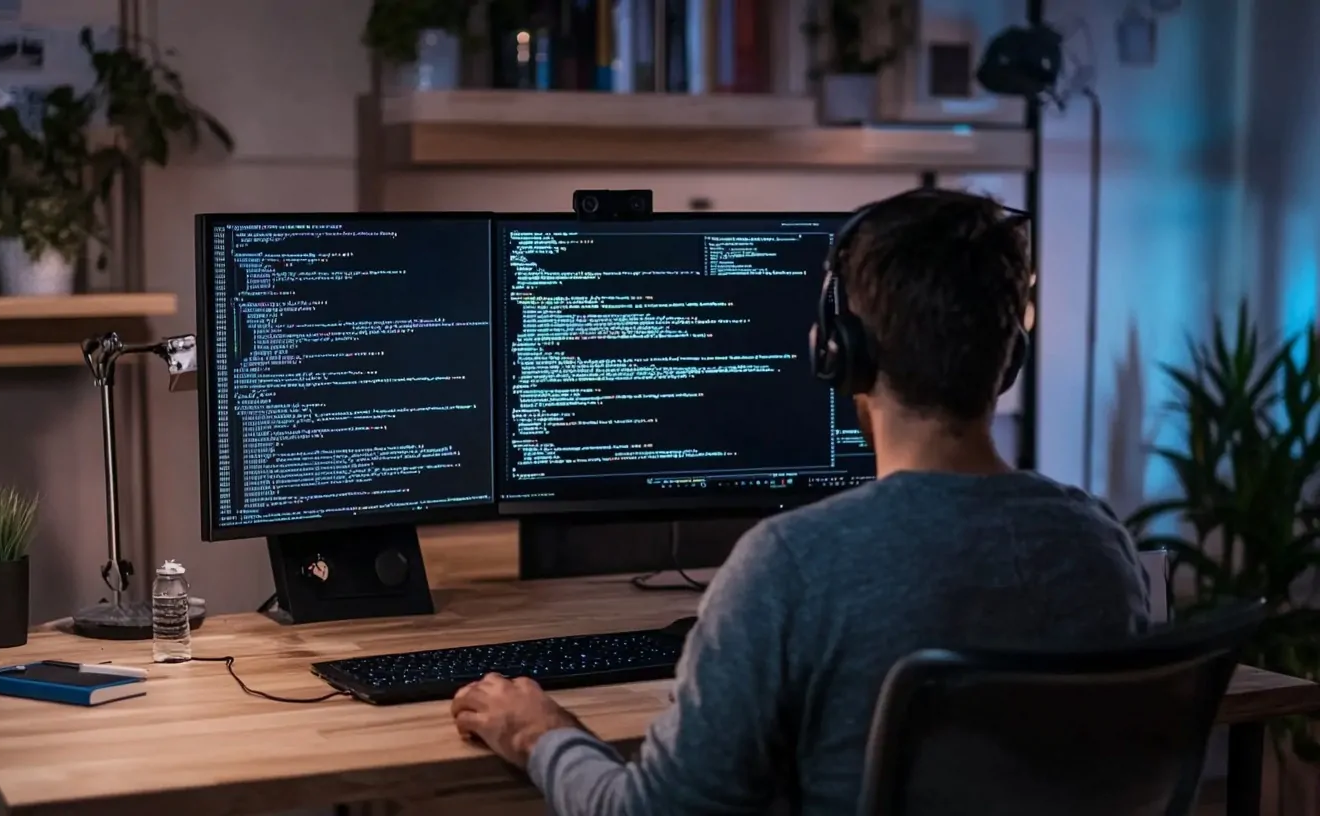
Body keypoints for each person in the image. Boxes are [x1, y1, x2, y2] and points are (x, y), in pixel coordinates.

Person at [449, 189, 1149, 815]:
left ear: (838, 353)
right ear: (1011, 360)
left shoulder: (793, 565)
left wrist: (538, 733)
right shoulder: (1099, 544)